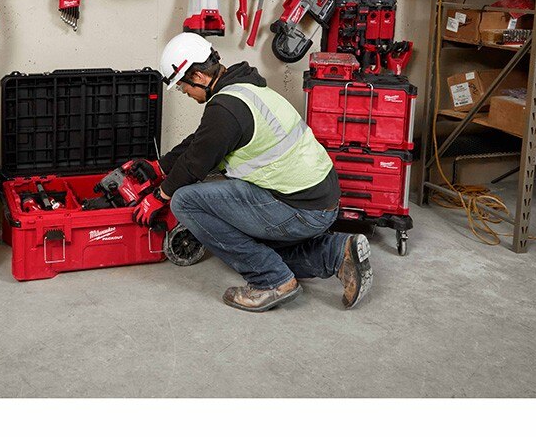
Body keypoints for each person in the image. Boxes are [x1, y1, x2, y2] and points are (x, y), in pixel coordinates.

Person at [132, 32, 372, 313]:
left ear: (197, 76)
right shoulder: (244, 88)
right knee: (253, 247)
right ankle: (337, 253)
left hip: (300, 210)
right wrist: (160, 166)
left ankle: (271, 281)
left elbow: (196, 163)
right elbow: (203, 141)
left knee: (185, 202)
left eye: (183, 87)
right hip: (320, 201)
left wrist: (159, 196)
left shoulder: (226, 109)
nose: (185, 93)